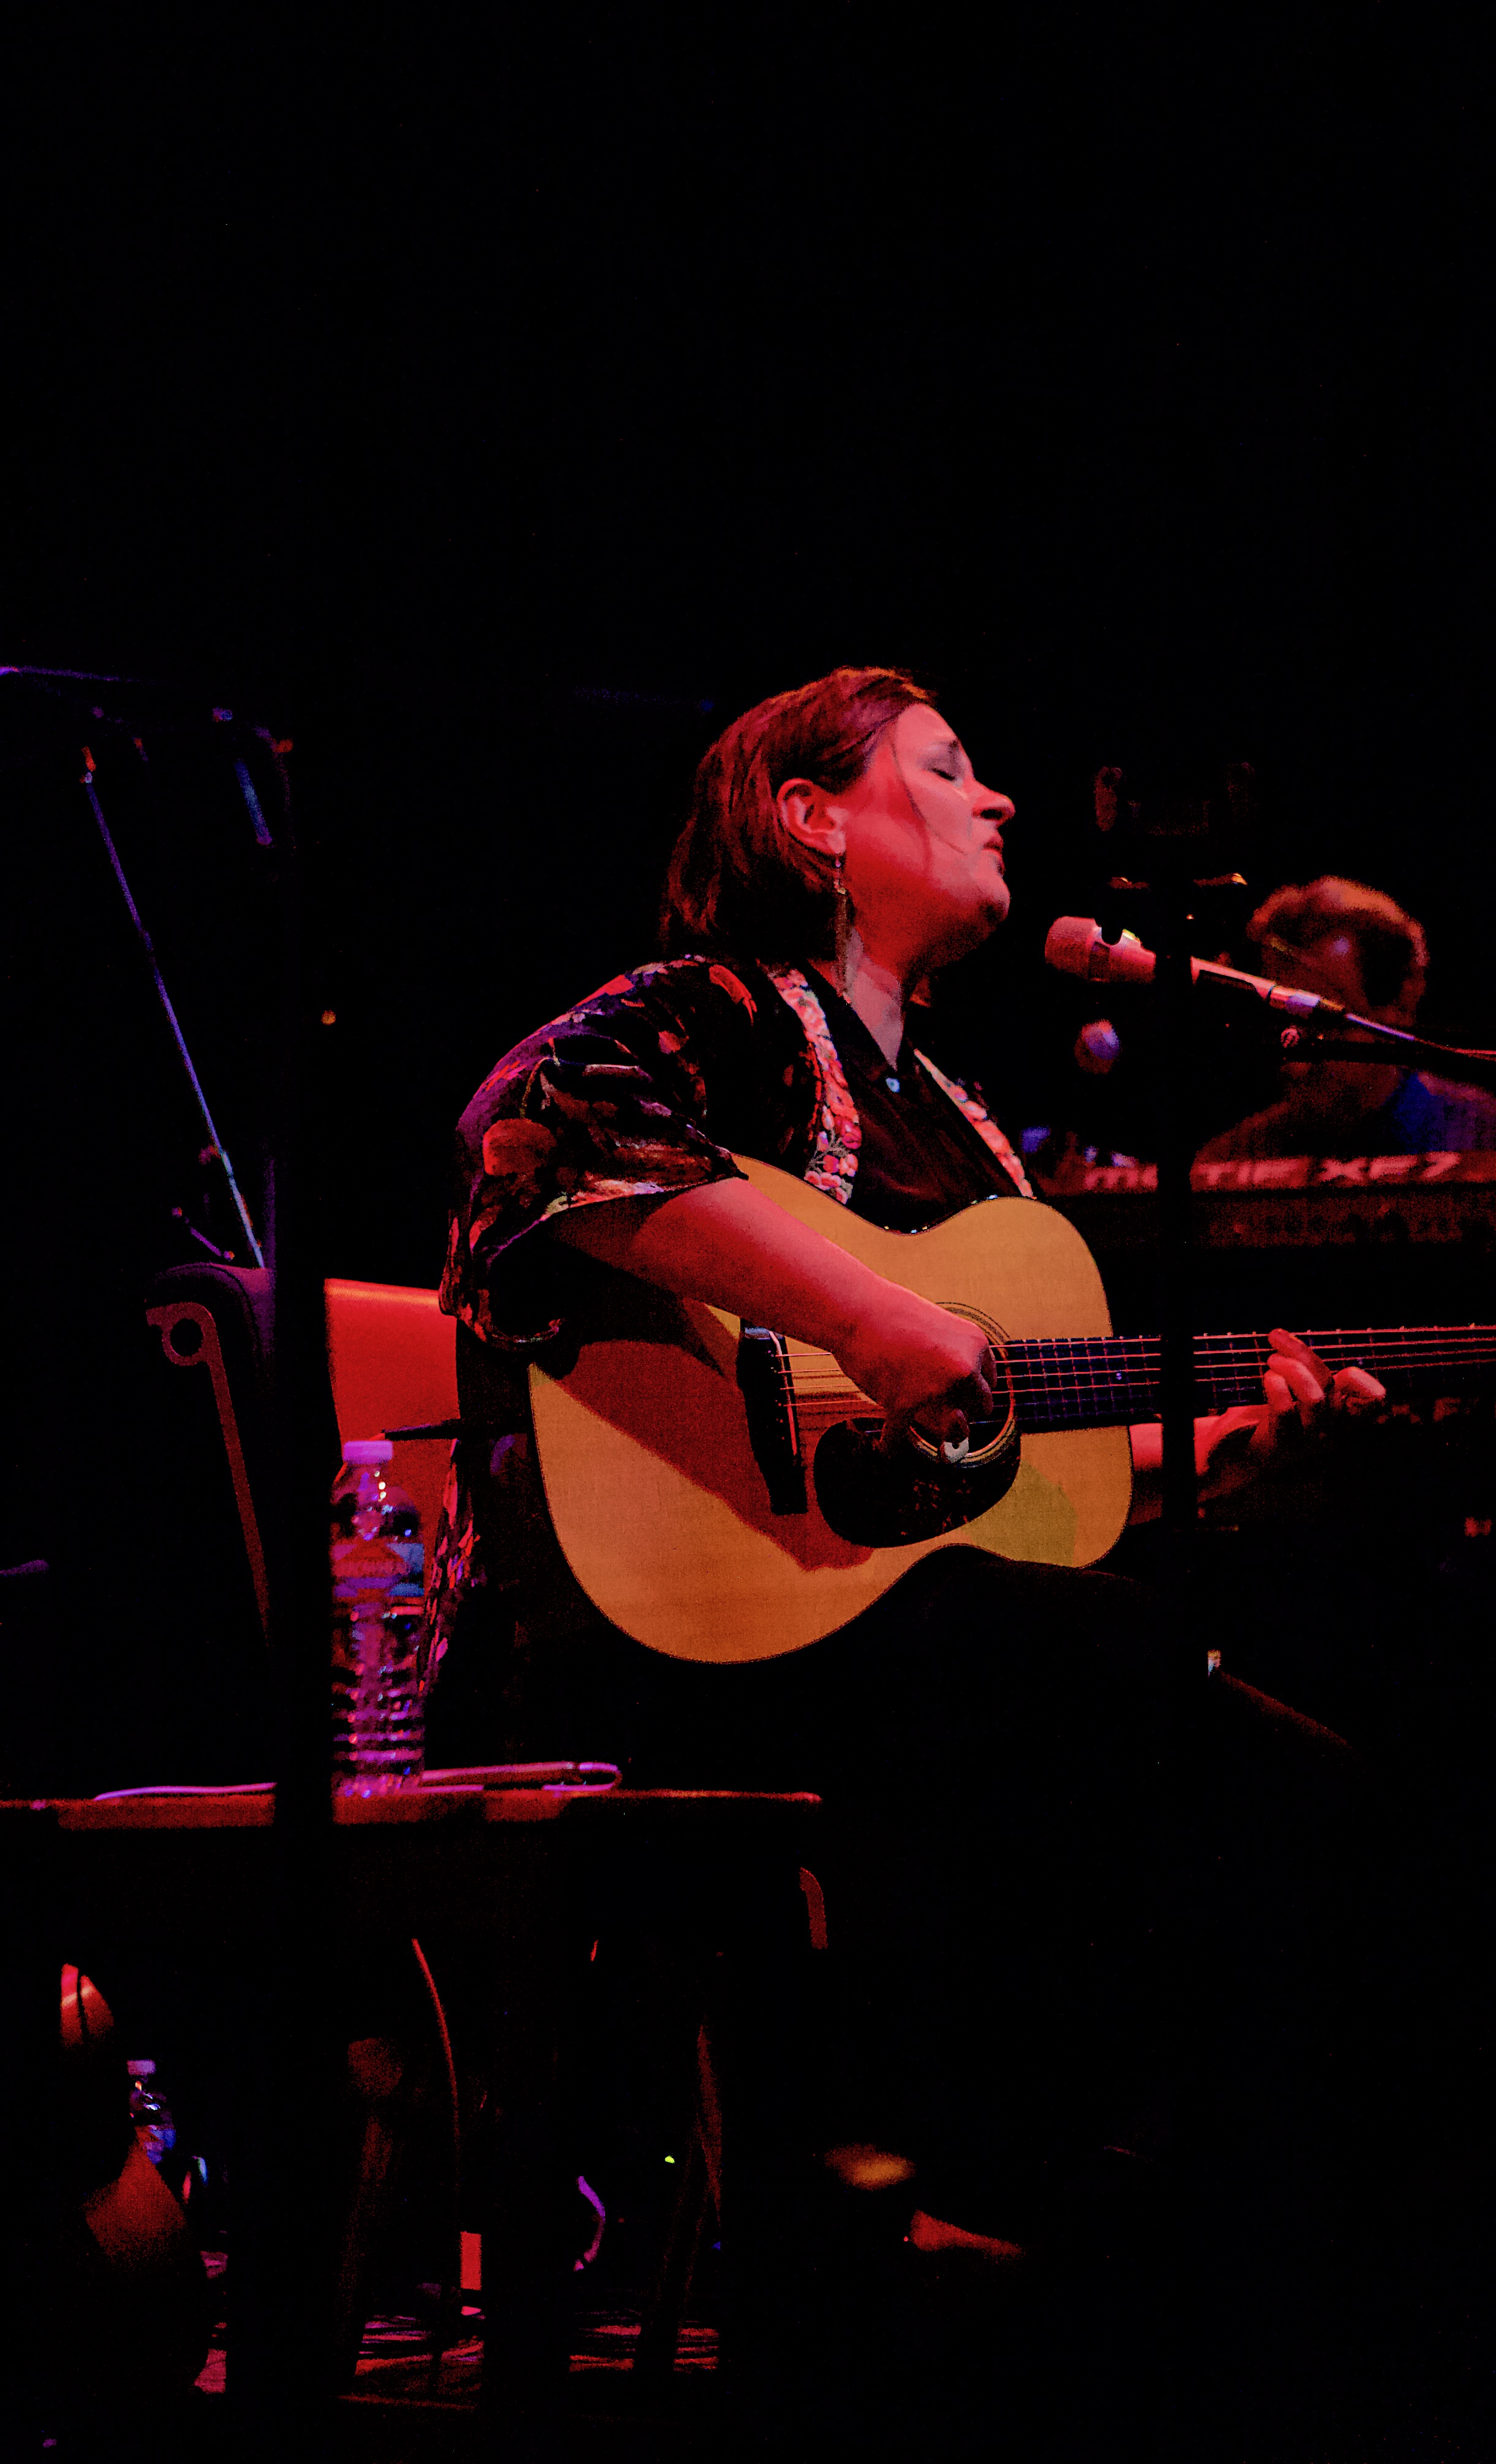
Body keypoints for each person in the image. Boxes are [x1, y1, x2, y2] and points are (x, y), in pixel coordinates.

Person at [427, 667, 1384, 2293]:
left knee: (1310, 1745)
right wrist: (869, 1316)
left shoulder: (958, 1124)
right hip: (675, 1632)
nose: (999, 797)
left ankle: (1179, 2211)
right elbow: (532, 1126)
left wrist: (1209, 1448)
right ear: (812, 822)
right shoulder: (719, 1010)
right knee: (1102, 1668)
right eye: (948, 768)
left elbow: (1009, 1474)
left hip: (901, 1620)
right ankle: (974, 2186)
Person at [1196, 873, 1496, 1161]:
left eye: (1323, 1021)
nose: (1295, 1063)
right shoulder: (1230, 1161)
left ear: (1399, 1006)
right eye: (1281, 1022)